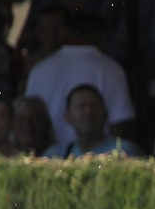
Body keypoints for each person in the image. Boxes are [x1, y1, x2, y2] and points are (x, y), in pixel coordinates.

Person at [23, 11, 135, 147]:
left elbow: (27, 118)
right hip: (98, 159)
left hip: (50, 158)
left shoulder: (39, 70)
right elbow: (120, 124)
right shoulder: (110, 68)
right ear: (102, 36)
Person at [42, 84, 143, 158]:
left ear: (105, 113)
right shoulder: (56, 155)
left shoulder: (125, 151)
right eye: (81, 106)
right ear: (67, 117)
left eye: (94, 106)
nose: (88, 111)